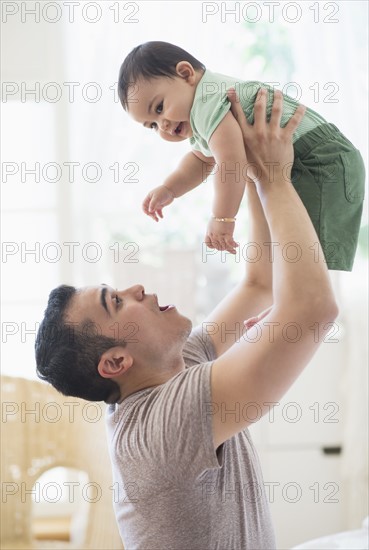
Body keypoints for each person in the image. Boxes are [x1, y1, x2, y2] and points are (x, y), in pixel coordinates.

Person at [35, 89, 338, 549]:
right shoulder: (164, 425)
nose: (135, 288)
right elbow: (313, 309)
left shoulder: (169, 367)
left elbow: (258, 285)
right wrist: (275, 179)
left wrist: (253, 169)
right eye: (116, 302)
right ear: (116, 363)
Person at [118, 41, 365, 270]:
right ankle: (292, 297)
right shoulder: (202, 113)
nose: (162, 125)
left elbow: (230, 165)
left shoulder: (208, 102)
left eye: (160, 108)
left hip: (320, 159)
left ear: (186, 74)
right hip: (315, 159)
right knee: (291, 246)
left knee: (302, 248)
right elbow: (201, 160)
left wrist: (223, 218)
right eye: (152, 125)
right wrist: (169, 188)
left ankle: (302, 299)